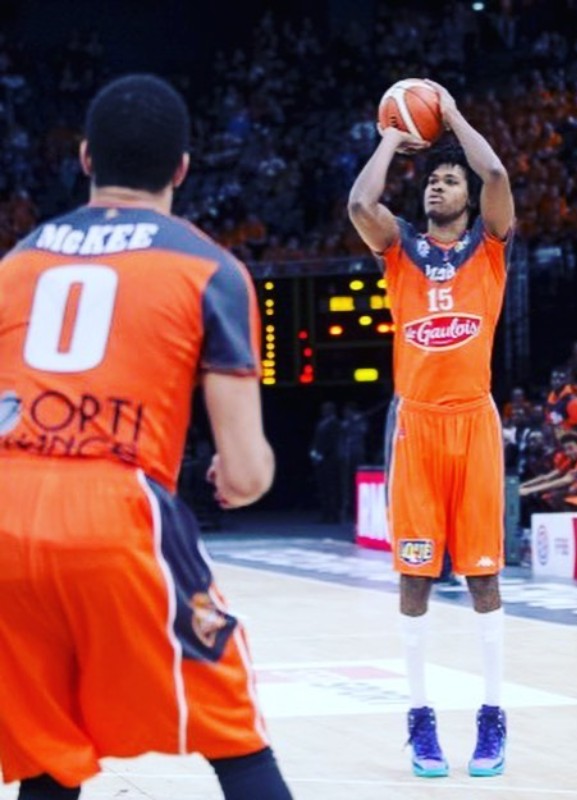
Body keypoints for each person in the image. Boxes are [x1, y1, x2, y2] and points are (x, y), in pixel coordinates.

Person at [0, 75, 292, 800]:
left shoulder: (14, 263)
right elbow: (247, 473)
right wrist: (236, 476)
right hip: (114, 511)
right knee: (238, 740)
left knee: (49, 755)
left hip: (3, 513)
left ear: (85, 157)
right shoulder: (210, 268)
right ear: (183, 169)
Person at [348, 79, 514, 779]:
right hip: (415, 428)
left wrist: (451, 115)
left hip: (474, 422)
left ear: (467, 199)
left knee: (482, 578)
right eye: (432, 181)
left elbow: (496, 173)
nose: (436, 187)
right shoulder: (400, 251)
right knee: (413, 580)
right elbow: (361, 204)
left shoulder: (489, 248)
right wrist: (394, 133)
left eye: (449, 181)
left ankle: (492, 715)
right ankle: (420, 720)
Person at [309, 401, 341, 523]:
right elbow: (316, 440)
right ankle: (325, 514)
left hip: (330, 459)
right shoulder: (321, 423)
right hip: (321, 459)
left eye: (326, 409)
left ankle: (334, 515)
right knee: (323, 488)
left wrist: (323, 453)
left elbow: (333, 442)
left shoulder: (335, 423)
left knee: (331, 488)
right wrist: (314, 452)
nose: (324, 411)